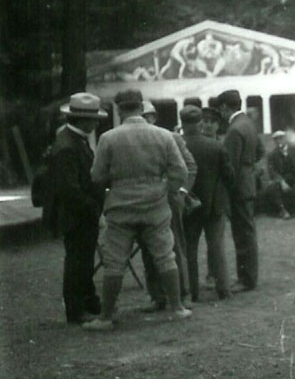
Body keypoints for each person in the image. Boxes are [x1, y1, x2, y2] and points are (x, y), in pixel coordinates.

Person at [84, 89, 191, 330]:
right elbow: (181, 172)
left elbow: (96, 175)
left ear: (119, 109)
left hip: (121, 206)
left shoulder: (109, 138)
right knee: (165, 255)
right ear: (142, 107)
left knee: (114, 261)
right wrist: (166, 189)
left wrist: (116, 181)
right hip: (155, 204)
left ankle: (105, 317)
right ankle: (177, 308)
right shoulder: (164, 136)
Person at [44, 93, 108, 324]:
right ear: (83, 120)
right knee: (77, 262)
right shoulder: (68, 147)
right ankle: (75, 308)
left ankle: (87, 301)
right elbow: (69, 188)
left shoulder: (72, 140)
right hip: (76, 214)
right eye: (93, 120)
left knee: (83, 259)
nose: (96, 124)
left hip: (80, 212)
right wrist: (92, 207)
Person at [139, 101, 198, 310]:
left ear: (154, 118)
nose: (144, 121)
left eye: (147, 117)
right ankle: (158, 297)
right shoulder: (131, 139)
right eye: (140, 116)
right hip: (144, 201)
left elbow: (190, 167)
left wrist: (181, 192)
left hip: (169, 201)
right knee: (148, 249)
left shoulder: (171, 138)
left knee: (174, 247)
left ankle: (183, 294)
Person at [179, 105, 235, 302]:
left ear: (182, 123)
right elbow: (229, 176)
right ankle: (224, 289)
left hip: (187, 205)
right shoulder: (215, 146)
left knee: (189, 250)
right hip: (214, 204)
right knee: (217, 247)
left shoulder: (177, 145)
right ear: (200, 123)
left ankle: (191, 292)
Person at [218, 89, 265, 292]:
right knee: (247, 232)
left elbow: (230, 166)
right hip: (248, 184)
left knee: (242, 234)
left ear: (225, 107)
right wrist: (249, 167)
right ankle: (249, 278)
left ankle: (246, 280)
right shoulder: (249, 124)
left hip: (238, 187)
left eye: (220, 109)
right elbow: (261, 152)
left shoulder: (234, 129)